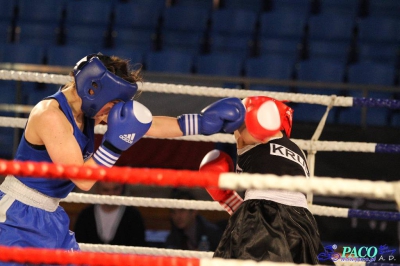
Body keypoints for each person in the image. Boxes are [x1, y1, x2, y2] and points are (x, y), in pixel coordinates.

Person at [0, 52, 245, 253]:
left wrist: (200, 123)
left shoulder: (88, 112)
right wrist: (114, 145)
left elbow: (150, 125)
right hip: (17, 216)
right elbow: (84, 179)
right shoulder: (50, 115)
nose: (112, 114)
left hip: (50, 214)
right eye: (113, 105)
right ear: (94, 89)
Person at [201, 96, 333, 264]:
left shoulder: (249, 133)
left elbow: (266, 206)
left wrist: (226, 198)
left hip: (265, 214)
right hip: (303, 222)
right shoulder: (297, 151)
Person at [74, 181, 146, 246]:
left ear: (122, 188)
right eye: (106, 190)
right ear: (97, 190)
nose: (111, 194)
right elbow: (79, 245)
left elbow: (137, 246)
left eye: (115, 189)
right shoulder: (86, 216)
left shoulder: (133, 216)